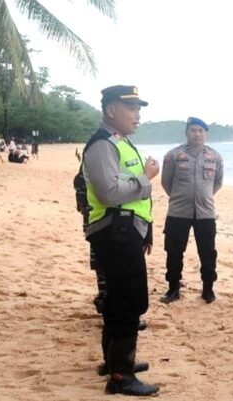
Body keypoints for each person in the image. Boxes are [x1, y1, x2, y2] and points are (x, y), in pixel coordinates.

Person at [82, 85, 159, 396]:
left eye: (139, 109)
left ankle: (114, 363)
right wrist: (146, 177)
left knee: (119, 301)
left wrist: (147, 228)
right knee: (129, 302)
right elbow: (109, 193)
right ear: (111, 110)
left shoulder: (121, 142)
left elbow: (132, 195)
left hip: (126, 230)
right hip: (115, 232)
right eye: (131, 108)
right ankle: (121, 376)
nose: (137, 115)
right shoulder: (103, 144)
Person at [159, 117, 224, 304]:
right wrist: (181, 197)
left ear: (205, 134)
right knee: (174, 252)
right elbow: (166, 182)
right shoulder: (173, 155)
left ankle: (208, 290)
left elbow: (218, 182)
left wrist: (204, 196)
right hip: (178, 212)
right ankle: (173, 289)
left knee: (208, 253)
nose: (197, 134)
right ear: (186, 132)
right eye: (193, 130)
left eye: (201, 131)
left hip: (206, 213)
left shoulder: (215, 156)